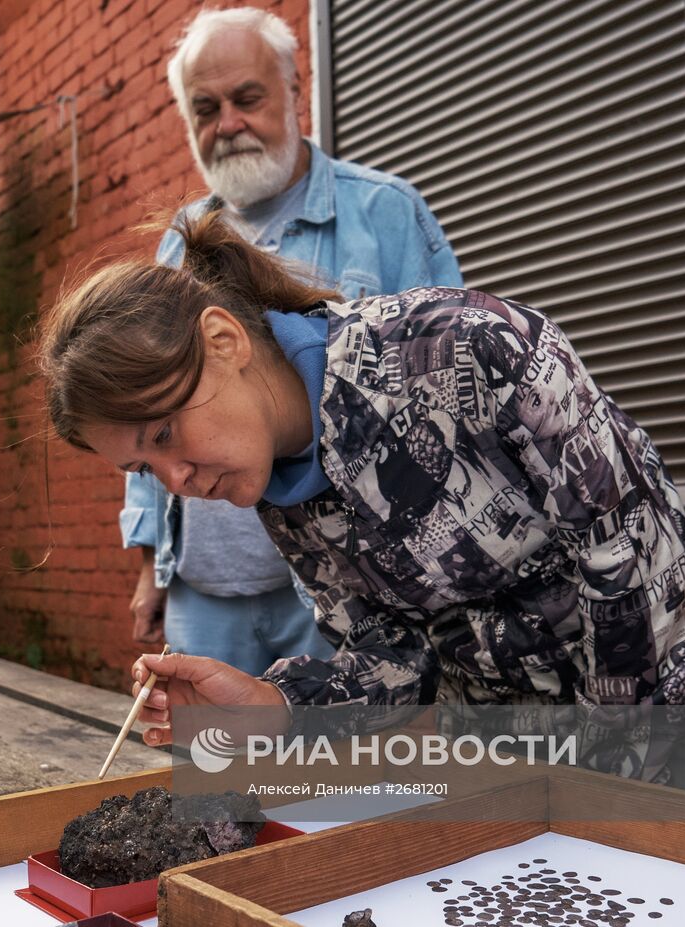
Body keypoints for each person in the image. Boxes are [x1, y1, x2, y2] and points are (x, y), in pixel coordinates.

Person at [42, 210, 685, 802]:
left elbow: (635, 570)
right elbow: (396, 659)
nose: (177, 479)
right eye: (144, 467)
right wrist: (272, 704)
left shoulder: (469, 349)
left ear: (224, 338)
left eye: (165, 432)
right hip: (506, 753)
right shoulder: (279, 495)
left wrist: (597, 786)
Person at [122, 7, 462, 675]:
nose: (228, 124)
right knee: (217, 773)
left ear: (294, 91)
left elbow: (448, 402)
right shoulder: (177, 243)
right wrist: (150, 566)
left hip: (350, 583)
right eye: (206, 108)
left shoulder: (385, 214)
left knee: (337, 775)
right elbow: (141, 420)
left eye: (247, 97)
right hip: (203, 585)